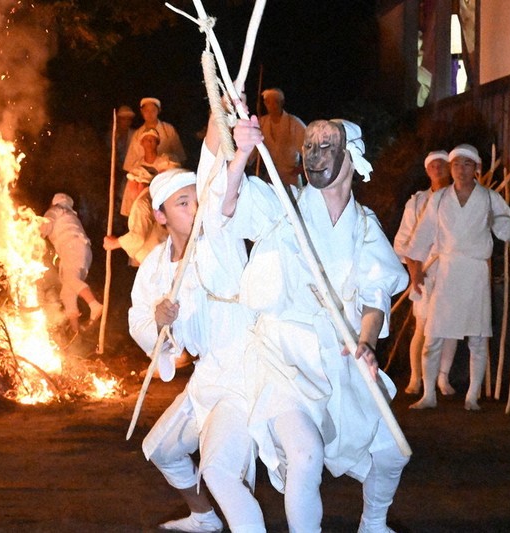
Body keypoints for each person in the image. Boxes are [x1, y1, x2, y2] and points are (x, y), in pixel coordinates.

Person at [224, 116, 409, 533]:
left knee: (391, 451)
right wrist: (241, 154)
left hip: (340, 356)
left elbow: (375, 293)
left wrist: (366, 343)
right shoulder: (284, 209)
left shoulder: (363, 225)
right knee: (305, 456)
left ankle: (373, 525)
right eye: (310, 145)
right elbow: (233, 204)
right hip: (284, 357)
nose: (315, 154)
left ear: (352, 156)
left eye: (328, 145)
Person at [128, 115, 265, 532]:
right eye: (183, 203)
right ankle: (204, 517)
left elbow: (213, 169)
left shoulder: (218, 235)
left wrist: (215, 116)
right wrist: (159, 322)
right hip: (208, 375)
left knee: (221, 469)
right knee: (163, 448)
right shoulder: (155, 265)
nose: (194, 207)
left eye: (195, 199)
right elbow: (138, 318)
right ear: (162, 215)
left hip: (242, 374)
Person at [406, 144, 510, 411]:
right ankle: (428, 395)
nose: (461, 170)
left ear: (477, 168)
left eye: (467, 164)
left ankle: (472, 397)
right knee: (434, 335)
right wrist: (415, 270)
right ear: (451, 169)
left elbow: (507, 230)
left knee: (477, 338)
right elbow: (422, 236)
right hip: (447, 272)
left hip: (474, 273)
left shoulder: (488, 198)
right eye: (456, 165)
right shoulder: (438, 200)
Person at [393, 150, 455, 395]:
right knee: (424, 324)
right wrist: (414, 271)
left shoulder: (460, 198)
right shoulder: (417, 202)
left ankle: (443, 378)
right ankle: (416, 378)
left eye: (443, 164)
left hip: (451, 269)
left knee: (450, 325)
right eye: (433, 165)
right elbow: (404, 241)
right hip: (425, 270)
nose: (438, 168)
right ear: (427, 170)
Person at [40, 193, 103, 333]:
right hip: (82, 251)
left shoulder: (56, 209)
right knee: (67, 292)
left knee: (70, 279)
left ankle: (94, 305)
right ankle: (76, 333)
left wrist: (33, 235)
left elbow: (45, 224)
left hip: (73, 247)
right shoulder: (69, 214)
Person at [102, 165, 167, 267]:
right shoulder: (153, 199)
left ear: (139, 183)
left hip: (155, 263)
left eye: (130, 183)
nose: (128, 188)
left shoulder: (142, 203)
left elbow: (138, 237)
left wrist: (114, 243)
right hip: (160, 259)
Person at [248, 88, 306, 186]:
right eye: (268, 102)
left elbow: (311, 150)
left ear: (281, 103)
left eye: (275, 102)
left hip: (291, 178)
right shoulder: (262, 123)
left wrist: (301, 169)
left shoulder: (294, 124)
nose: (272, 106)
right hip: (272, 177)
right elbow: (251, 151)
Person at [120, 127, 180, 217]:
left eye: (153, 140)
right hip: (142, 211)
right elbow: (130, 193)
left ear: (157, 143)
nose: (149, 142)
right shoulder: (137, 167)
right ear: (142, 143)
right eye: (146, 140)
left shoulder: (165, 162)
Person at [122, 97, 186, 173]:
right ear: (141, 111)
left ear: (159, 111)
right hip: (143, 177)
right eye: (146, 111)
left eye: (153, 110)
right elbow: (130, 164)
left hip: (165, 176)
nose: (150, 114)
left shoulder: (168, 129)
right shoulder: (137, 134)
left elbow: (180, 156)